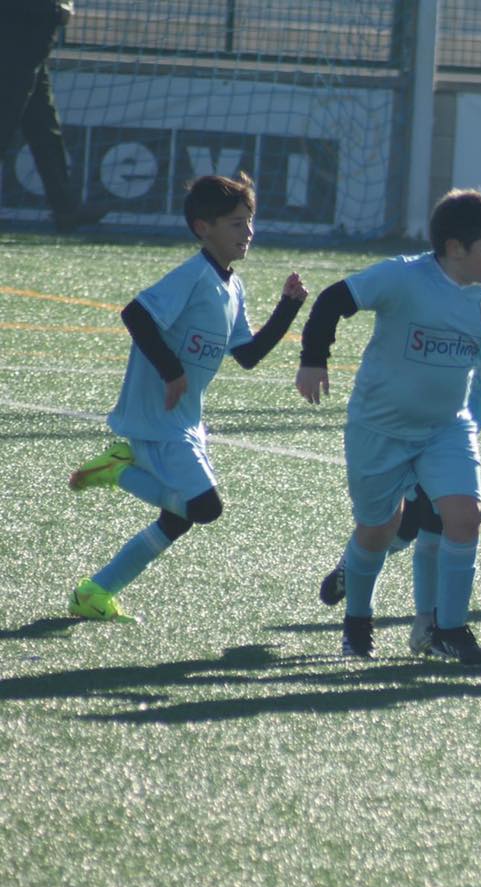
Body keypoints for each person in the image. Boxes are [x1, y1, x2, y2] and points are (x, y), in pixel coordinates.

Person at [296, 188, 481, 664]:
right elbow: (335, 299)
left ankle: (449, 630)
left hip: (447, 428)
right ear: (455, 248)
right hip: (380, 427)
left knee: (465, 516)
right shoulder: (403, 277)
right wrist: (313, 360)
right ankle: (357, 623)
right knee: (379, 530)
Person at [65, 173, 305, 622]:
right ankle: (120, 471)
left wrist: (288, 307)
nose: (247, 232)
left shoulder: (231, 286)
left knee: (177, 520)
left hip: (186, 420)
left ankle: (95, 591)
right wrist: (171, 371)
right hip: (157, 417)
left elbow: (248, 355)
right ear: (203, 228)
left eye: (249, 221)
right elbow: (135, 314)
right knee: (205, 507)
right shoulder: (193, 275)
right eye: (236, 223)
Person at [0, 1, 106, 232]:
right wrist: (55, 11)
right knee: (5, 124)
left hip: (32, 48)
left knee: (45, 130)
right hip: (15, 45)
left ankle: (66, 208)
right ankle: (66, 208)